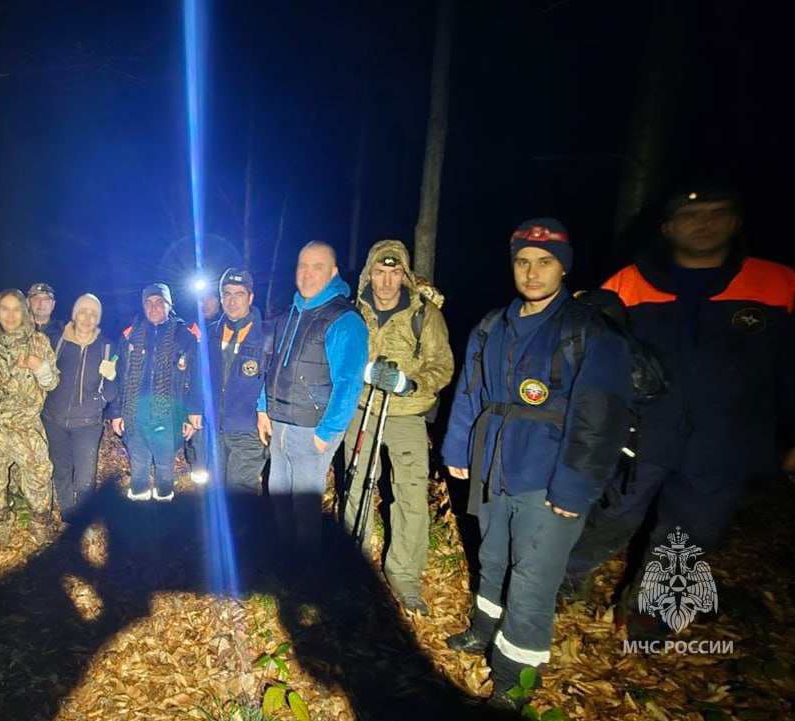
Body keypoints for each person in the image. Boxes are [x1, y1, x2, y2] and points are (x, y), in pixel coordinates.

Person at [563, 187, 795, 630]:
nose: (704, 222)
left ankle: (650, 617)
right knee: (609, 514)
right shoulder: (627, 285)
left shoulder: (776, 284)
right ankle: (568, 578)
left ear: (737, 221)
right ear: (668, 228)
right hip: (639, 436)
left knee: (691, 532)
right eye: (690, 214)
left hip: (725, 438)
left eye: (717, 212)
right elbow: (594, 362)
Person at [441, 219, 633, 711]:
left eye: (544, 262)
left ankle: (514, 678)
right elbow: (470, 389)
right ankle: (484, 629)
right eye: (523, 262)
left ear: (563, 268)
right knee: (491, 556)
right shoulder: (492, 325)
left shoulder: (588, 330)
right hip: (496, 465)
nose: (532, 272)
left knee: (533, 579)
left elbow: (600, 418)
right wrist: (458, 449)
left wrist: (574, 489)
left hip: (550, 477)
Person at [343, 239, 454, 615]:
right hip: (361, 409)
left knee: (408, 493)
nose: (386, 281)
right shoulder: (353, 311)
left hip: (407, 413)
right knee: (355, 483)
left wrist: (409, 382)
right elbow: (337, 357)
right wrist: (362, 373)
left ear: (404, 274)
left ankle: (404, 574)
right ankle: (353, 564)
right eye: (379, 271)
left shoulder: (425, 314)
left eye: (393, 272)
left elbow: (442, 366)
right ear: (368, 273)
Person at [257, 241, 368, 567]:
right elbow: (273, 365)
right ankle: (284, 556)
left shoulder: (343, 320)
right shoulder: (291, 312)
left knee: (304, 507)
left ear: (333, 272)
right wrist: (263, 407)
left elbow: (349, 384)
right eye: (302, 266)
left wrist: (327, 432)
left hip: (312, 428)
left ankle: (306, 572)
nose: (307, 274)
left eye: (317, 266)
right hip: (280, 422)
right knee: (278, 492)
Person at [0, 289, 60, 542]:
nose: (10, 314)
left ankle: (41, 524)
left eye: (16, 308)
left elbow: (51, 383)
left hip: (26, 424)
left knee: (39, 474)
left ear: (25, 312)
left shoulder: (38, 342)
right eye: (4, 308)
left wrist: (41, 369)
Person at [110, 283, 204, 502]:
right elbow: (119, 376)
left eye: (159, 302)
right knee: (139, 464)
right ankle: (139, 505)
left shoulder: (185, 336)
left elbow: (195, 378)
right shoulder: (130, 336)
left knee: (164, 466)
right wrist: (116, 412)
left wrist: (190, 414)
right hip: (135, 413)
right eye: (148, 303)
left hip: (169, 414)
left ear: (169, 305)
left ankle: (164, 505)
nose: (153, 307)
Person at [42, 293, 117, 522]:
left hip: (87, 424)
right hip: (54, 420)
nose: (87, 317)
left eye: (93, 314)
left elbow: (115, 388)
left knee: (85, 478)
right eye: (83, 311)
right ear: (75, 314)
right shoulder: (56, 341)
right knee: (62, 473)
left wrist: (107, 389)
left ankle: (84, 521)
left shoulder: (107, 346)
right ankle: (67, 517)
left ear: (99, 319)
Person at [202, 268, 272, 494]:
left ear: (250, 298)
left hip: (248, 429)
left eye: (239, 294)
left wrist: (265, 410)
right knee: (216, 490)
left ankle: (244, 529)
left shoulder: (267, 335)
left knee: (240, 491)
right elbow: (198, 376)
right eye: (227, 294)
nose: (232, 301)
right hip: (215, 428)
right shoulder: (211, 333)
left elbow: (275, 380)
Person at [28, 282, 64, 347]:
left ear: (53, 304)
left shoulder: (64, 330)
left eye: (46, 299)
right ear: (28, 302)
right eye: (36, 299)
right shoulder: (18, 328)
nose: (41, 303)